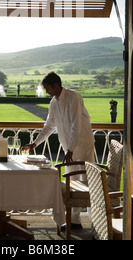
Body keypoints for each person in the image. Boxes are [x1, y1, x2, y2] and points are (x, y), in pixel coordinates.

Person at [21, 72, 94, 229]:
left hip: (82, 144)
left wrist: (71, 150)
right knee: (72, 180)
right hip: (69, 147)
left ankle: (95, 221)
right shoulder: (54, 102)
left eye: (48, 88)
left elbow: (76, 125)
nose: (46, 91)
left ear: (56, 85)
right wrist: (34, 144)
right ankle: (74, 221)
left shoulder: (74, 97)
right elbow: (49, 125)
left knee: (88, 180)